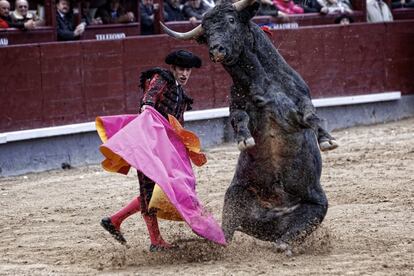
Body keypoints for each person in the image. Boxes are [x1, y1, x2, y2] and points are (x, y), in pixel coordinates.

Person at [100, 50, 209, 251]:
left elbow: (177, 124)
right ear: (173, 69)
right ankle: (155, 241)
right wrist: (147, 107)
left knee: (162, 188)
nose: (185, 73)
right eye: (181, 69)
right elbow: (148, 98)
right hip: (148, 145)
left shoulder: (181, 93)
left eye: (188, 70)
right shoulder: (162, 79)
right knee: (151, 190)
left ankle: (115, 220)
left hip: (164, 149)